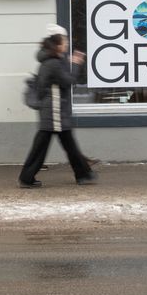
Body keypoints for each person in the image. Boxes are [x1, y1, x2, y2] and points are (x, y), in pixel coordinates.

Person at [18, 24, 97, 188]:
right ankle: (26, 177)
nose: (66, 44)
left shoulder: (51, 61)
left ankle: (84, 174)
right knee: (45, 146)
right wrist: (75, 64)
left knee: (64, 145)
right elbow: (68, 81)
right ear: (56, 44)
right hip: (53, 111)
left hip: (54, 110)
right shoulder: (53, 63)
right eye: (64, 41)